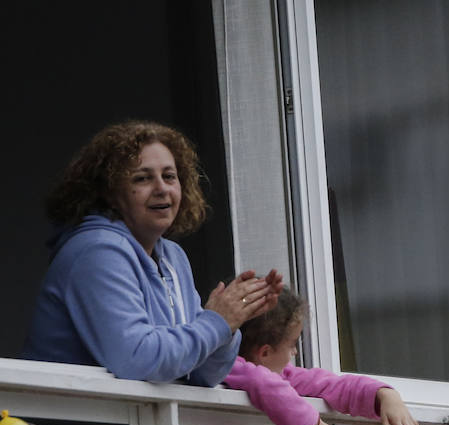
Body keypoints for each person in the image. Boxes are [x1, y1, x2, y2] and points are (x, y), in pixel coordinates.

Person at [24, 121, 282, 385]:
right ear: (111, 194)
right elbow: (138, 360)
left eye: (169, 176)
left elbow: (203, 375)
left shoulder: (173, 256)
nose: (161, 188)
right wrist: (217, 322)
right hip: (74, 422)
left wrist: (230, 324)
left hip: (140, 424)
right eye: (142, 178)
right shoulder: (96, 251)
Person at [224, 291, 422, 425]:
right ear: (265, 353)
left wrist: (384, 395)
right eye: (292, 344)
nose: (294, 353)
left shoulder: (282, 374)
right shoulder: (227, 366)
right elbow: (264, 383)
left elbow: (330, 385)